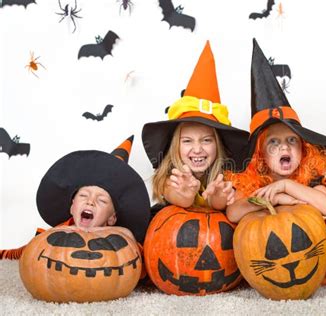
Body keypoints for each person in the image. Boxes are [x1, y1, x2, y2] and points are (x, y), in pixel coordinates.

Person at [226, 39, 326, 285]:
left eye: (292, 140)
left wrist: (286, 187)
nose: (284, 146)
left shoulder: (310, 178)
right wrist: (273, 200)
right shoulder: (255, 182)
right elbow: (234, 212)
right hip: (269, 257)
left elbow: (324, 205)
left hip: (312, 252)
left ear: (304, 150)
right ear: (260, 154)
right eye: (273, 142)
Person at [141, 41, 249, 214]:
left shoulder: (227, 178)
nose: (197, 149)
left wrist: (218, 198)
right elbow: (175, 195)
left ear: (218, 145)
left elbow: (221, 204)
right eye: (187, 141)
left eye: (206, 140)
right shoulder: (172, 177)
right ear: (176, 145)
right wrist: (187, 193)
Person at [1, 136, 150, 259]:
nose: (90, 201)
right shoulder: (60, 232)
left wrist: (124, 234)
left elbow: (140, 258)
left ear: (111, 218)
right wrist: (6, 254)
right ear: (72, 207)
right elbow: (29, 251)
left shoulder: (120, 238)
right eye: (84, 195)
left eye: (102, 200)